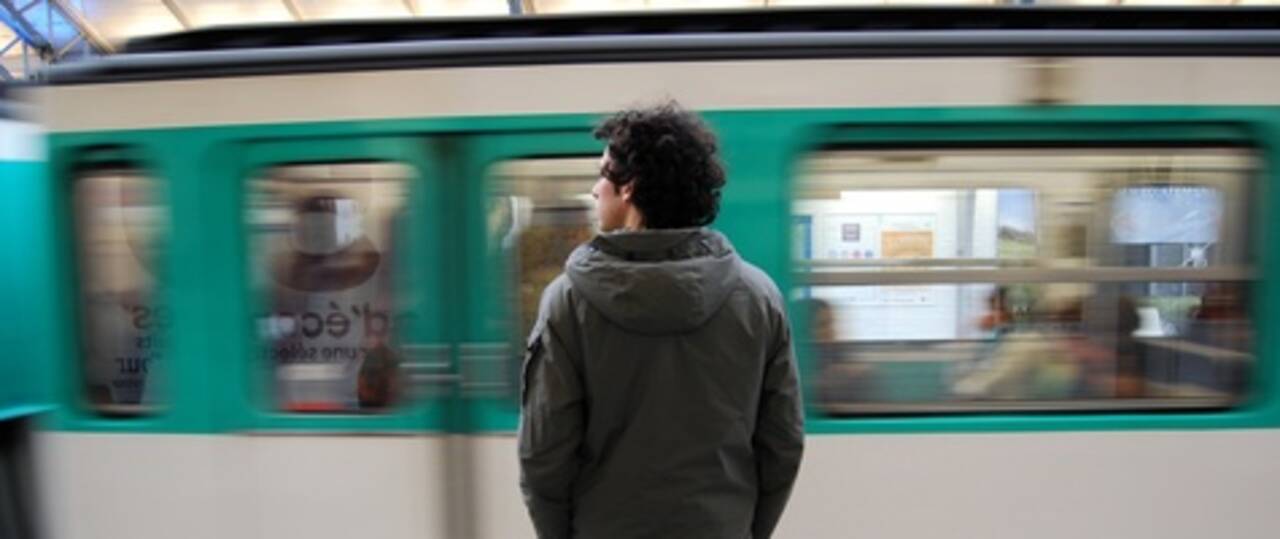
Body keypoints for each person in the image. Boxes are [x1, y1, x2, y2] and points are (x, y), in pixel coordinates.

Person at [518, 102, 804, 539]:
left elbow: (544, 455)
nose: (596, 189)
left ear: (629, 187)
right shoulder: (759, 298)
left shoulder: (568, 302)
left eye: (603, 174)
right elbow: (782, 444)